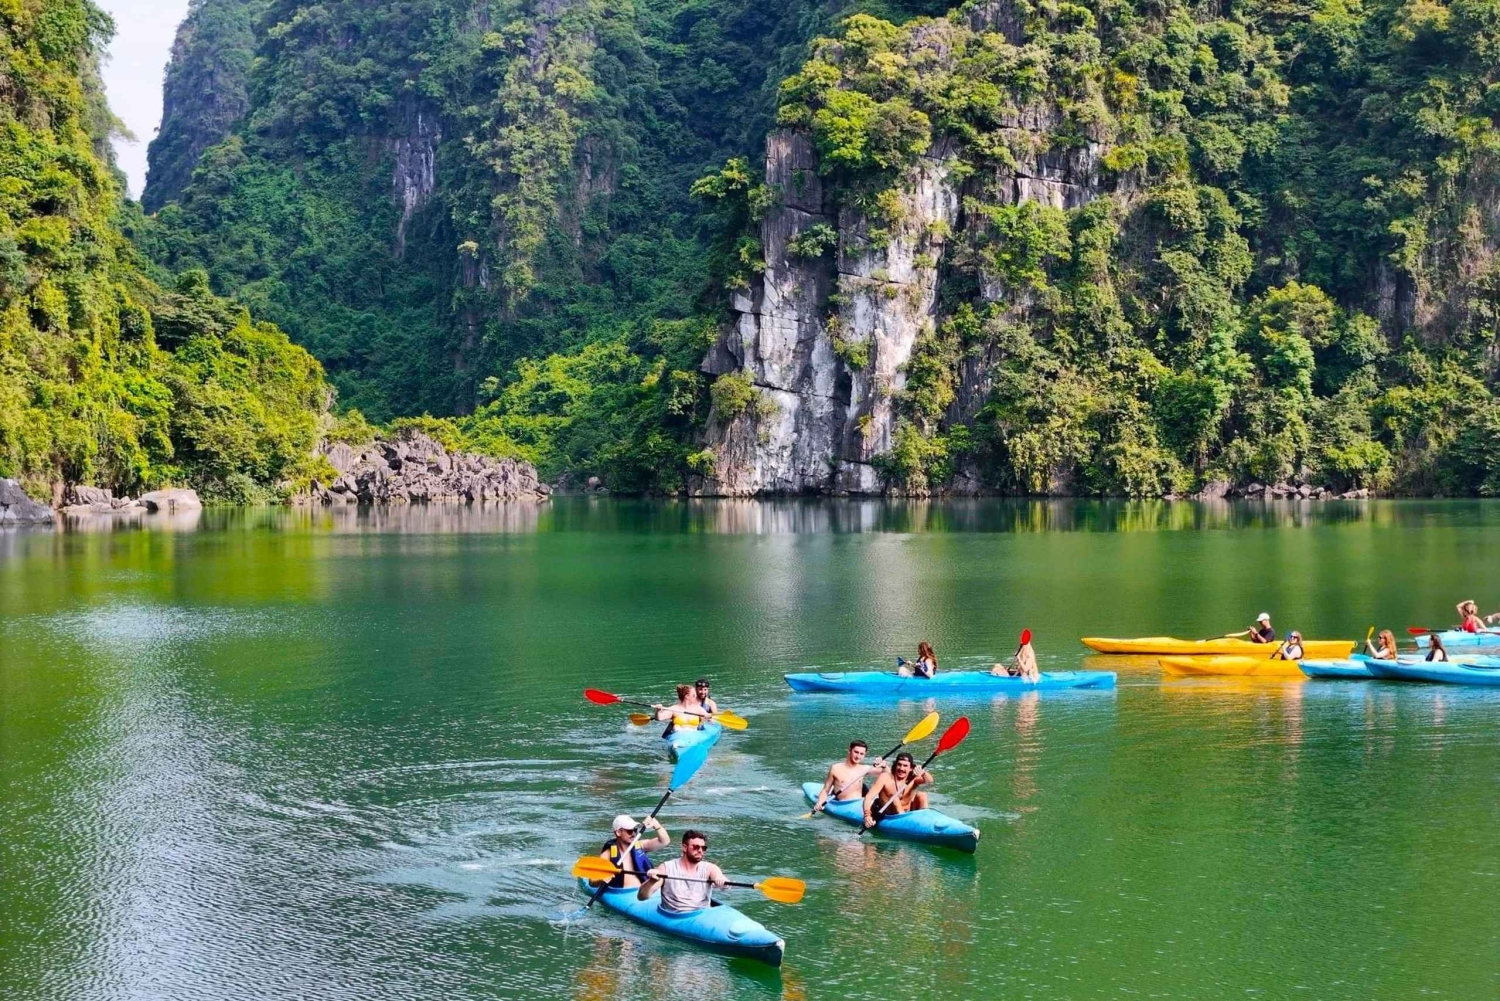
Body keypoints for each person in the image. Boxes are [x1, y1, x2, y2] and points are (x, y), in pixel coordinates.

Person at [638, 829, 726, 912]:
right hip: (675, 915)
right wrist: (651, 881)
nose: (700, 851)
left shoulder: (710, 868)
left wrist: (722, 881)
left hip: (702, 914)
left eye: (703, 848)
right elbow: (642, 897)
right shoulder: (666, 868)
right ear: (684, 847)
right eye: (696, 847)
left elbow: (722, 880)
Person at [593, 814, 670, 889]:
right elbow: (592, 881)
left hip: (644, 891)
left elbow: (664, 841)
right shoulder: (607, 854)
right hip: (623, 895)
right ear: (618, 832)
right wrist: (601, 879)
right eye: (629, 831)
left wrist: (657, 826)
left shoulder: (641, 845)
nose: (634, 833)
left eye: (635, 830)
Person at [810, 740, 887, 814]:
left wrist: (884, 765)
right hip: (844, 804)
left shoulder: (865, 768)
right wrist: (820, 802)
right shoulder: (835, 768)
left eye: (861, 754)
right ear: (849, 750)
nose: (858, 756)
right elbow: (825, 790)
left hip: (859, 803)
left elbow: (888, 774)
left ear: (864, 755)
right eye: (856, 752)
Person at [862, 752, 932, 827]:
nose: (901, 768)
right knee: (895, 799)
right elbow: (868, 797)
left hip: (908, 813)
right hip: (889, 814)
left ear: (911, 768)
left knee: (922, 795)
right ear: (895, 765)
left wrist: (923, 773)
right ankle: (906, 824)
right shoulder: (885, 777)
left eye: (905, 766)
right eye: (899, 764)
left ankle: (924, 821)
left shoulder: (913, 778)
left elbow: (929, 780)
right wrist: (867, 815)